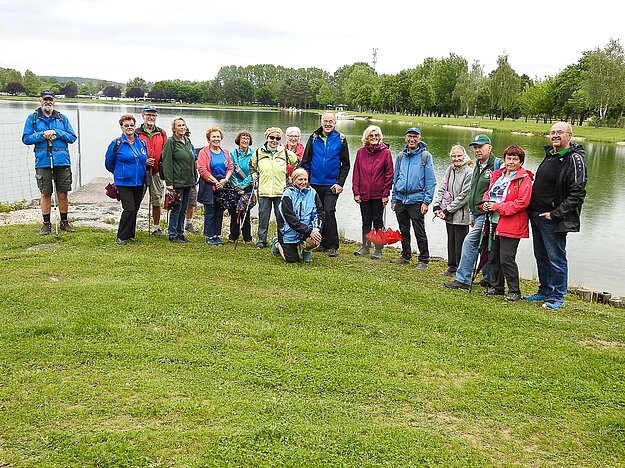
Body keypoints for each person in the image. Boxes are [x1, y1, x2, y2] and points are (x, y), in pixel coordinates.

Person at [525, 121, 587, 310]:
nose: (555, 136)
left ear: (570, 135)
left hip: (552, 218)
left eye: (559, 132)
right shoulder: (551, 155)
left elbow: (578, 193)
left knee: (556, 258)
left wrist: (555, 214)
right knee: (541, 256)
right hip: (536, 215)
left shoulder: (574, 159)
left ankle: (558, 296)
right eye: (552, 133)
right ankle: (544, 290)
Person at [444, 134, 501, 290]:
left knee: (470, 243)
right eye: (475, 148)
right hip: (476, 214)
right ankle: (488, 278)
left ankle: (462, 279)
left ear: (489, 147)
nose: (477, 150)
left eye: (480, 147)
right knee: (484, 247)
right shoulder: (476, 165)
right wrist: (471, 214)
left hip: (487, 214)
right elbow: (472, 192)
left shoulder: (498, 165)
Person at [480, 145, 533, 302]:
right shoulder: (498, 176)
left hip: (511, 223)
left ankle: (514, 291)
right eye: (508, 158)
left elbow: (522, 202)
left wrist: (497, 206)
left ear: (521, 161)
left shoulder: (524, 179)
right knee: (493, 255)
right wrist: (485, 203)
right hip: (494, 221)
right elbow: (489, 193)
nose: (511, 162)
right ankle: (497, 287)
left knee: (507, 258)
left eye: (515, 159)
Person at [22, 89, 77, 235]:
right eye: (45, 99)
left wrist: (56, 132)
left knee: (63, 193)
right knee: (45, 193)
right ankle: (46, 224)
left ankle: (64, 222)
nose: (48, 102)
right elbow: (26, 138)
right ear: (40, 100)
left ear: (54, 101)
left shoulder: (62, 118)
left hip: (62, 161)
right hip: (43, 162)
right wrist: (42, 135)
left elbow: (72, 137)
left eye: (50, 99)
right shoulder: (32, 118)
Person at [301, 112, 350, 257]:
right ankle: (320, 243)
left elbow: (345, 165)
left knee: (329, 212)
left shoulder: (341, 139)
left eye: (331, 121)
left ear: (335, 122)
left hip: (331, 185)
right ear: (321, 121)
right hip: (314, 184)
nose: (328, 124)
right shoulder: (313, 138)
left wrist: (340, 183)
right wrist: (305, 181)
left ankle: (333, 245)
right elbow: (306, 161)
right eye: (325, 121)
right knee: (317, 213)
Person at [389, 127, 437, 270]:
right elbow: (396, 178)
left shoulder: (425, 156)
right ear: (405, 138)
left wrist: (426, 201)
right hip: (401, 199)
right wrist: (394, 199)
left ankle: (423, 259)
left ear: (419, 139)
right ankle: (405, 255)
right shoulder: (400, 157)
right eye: (409, 136)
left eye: (415, 137)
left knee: (419, 230)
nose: (412, 139)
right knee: (403, 229)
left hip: (417, 199)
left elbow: (431, 181)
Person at [250, 127, 299, 249]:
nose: (274, 140)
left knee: (281, 217)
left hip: (281, 191)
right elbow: (251, 165)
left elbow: (299, 163)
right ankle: (262, 240)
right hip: (264, 191)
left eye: (278, 138)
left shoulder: (286, 152)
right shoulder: (258, 152)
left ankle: (282, 240)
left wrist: (292, 176)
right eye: (272, 137)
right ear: (267, 138)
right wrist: (253, 174)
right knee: (263, 218)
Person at [104, 114, 148, 245]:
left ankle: (130, 234)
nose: (129, 127)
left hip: (139, 181)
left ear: (135, 127)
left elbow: (143, 159)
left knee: (135, 208)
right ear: (122, 128)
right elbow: (109, 163)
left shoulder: (142, 142)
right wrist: (119, 173)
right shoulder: (116, 143)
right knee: (129, 209)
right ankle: (121, 236)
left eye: (131, 125)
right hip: (123, 181)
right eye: (126, 126)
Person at [352, 125, 394, 260]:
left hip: (378, 194)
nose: (374, 138)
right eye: (371, 135)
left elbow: (389, 175)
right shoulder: (360, 152)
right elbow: (356, 173)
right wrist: (356, 191)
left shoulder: (386, 152)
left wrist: (385, 193)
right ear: (367, 138)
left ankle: (378, 249)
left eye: (376, 135)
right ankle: (365, 246)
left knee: (378, 221)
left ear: (380, 137)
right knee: (366, 221)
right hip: (364, 193)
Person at [433, 145, 473, 276]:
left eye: (459, 156)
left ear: (464, 156)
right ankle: (451, 266)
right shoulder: (450, 169)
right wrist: (437, 205)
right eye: (454, 156)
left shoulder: (469, 172)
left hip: (461, 215)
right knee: (451, 240)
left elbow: (464, 196)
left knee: (460, 243)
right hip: (448, 214)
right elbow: (442, 187)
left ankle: (461, 269)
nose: (456, 158)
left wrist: (448, 210)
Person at [273, 168, 324, 263]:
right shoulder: (287, 194)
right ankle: (277, 243)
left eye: (305, 179)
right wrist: (309, 230)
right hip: (288, 232)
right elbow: (290, 219)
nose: (303, 182)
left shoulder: (312, 193)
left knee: (316, 239)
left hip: (306, 230)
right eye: (300, 180)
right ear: (293, 180)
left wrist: (316, 229)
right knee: (292, 260)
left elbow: (319, 213)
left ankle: (306, 250)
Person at [160, 116, 197, 243]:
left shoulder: (187, 141)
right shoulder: (171, 142)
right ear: (174, 128)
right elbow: (167, 163)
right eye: (179, 125)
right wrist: (169, 183)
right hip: (177, 182)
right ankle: (172, 233)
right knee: (176, 208)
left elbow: (192, 161)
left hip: (189, 181)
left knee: (183, 208)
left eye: (183, 125)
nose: (182, 127)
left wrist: (194, 178)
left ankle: (180, 233)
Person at [196, 127, 234, 246]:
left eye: (218, 137)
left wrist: (225, 180)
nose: (216, 139)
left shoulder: (226, 152)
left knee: (219, 211)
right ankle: (209, 236)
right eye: (214, 137)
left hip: (222, 185)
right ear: (209, 139)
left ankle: (217, 235)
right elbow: (202, 169)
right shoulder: (204, 152)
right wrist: (214, 181)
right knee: (210, 211)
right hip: (209, 184)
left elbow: (230, 168)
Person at [136, 105, 167, 236]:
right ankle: (131, 224)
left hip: (155, 172)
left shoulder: (161, 132)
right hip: (140, 172)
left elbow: (165, 151)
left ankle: (156, 227)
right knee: (136, 200)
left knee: (156, 200)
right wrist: (144, 161)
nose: (151, 117)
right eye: (148, 114)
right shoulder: (137, 132)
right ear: (143, 116)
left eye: (153, 115)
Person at [229, 130, 255, 243]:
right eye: (243, 138)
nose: (245, 140)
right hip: (235, 188)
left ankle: (247, 238)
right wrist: (237, 186)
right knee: (234, 213)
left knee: (246, 213)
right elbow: (231, 171)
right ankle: (233, 236)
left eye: (247, 138)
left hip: (247, 188)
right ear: (238, 140)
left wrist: (243, 186)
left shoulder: (254, 154)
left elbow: (253, 173)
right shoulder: (233, 154)